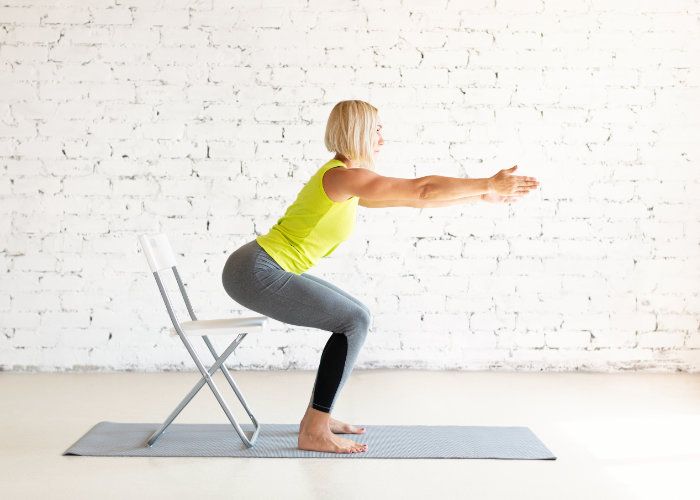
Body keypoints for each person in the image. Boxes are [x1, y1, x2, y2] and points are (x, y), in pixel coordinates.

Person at [221, 99, 540, 454]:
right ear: (357, 131)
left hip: (261, 266)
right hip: (255, 270)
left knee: (357, 316)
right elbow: (422, 188)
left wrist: (483, 194)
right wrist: (488, 181)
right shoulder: (342, 176)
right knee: (353, 320)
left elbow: (417, 200)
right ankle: (314, 429)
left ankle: (318, 418)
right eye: (376, 129)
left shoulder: (348, 180)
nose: (381, 139)